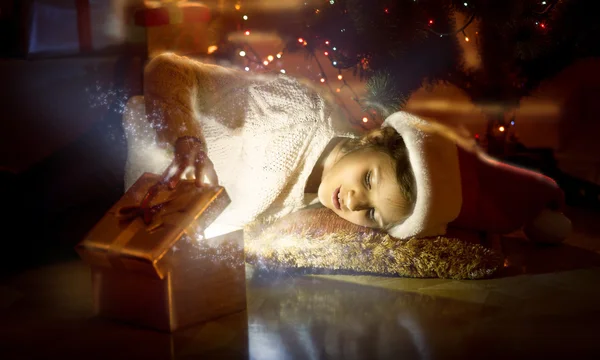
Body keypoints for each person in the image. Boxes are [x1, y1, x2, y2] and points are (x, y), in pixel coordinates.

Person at [124, 52, 571, 242]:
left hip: (126, 225)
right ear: (374, 137)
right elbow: (167, 68)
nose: (355, 202)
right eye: (370, 179)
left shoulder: (309, 215)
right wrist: (187, 141)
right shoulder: (295, 111)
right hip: (105, 153)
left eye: (373, 214)